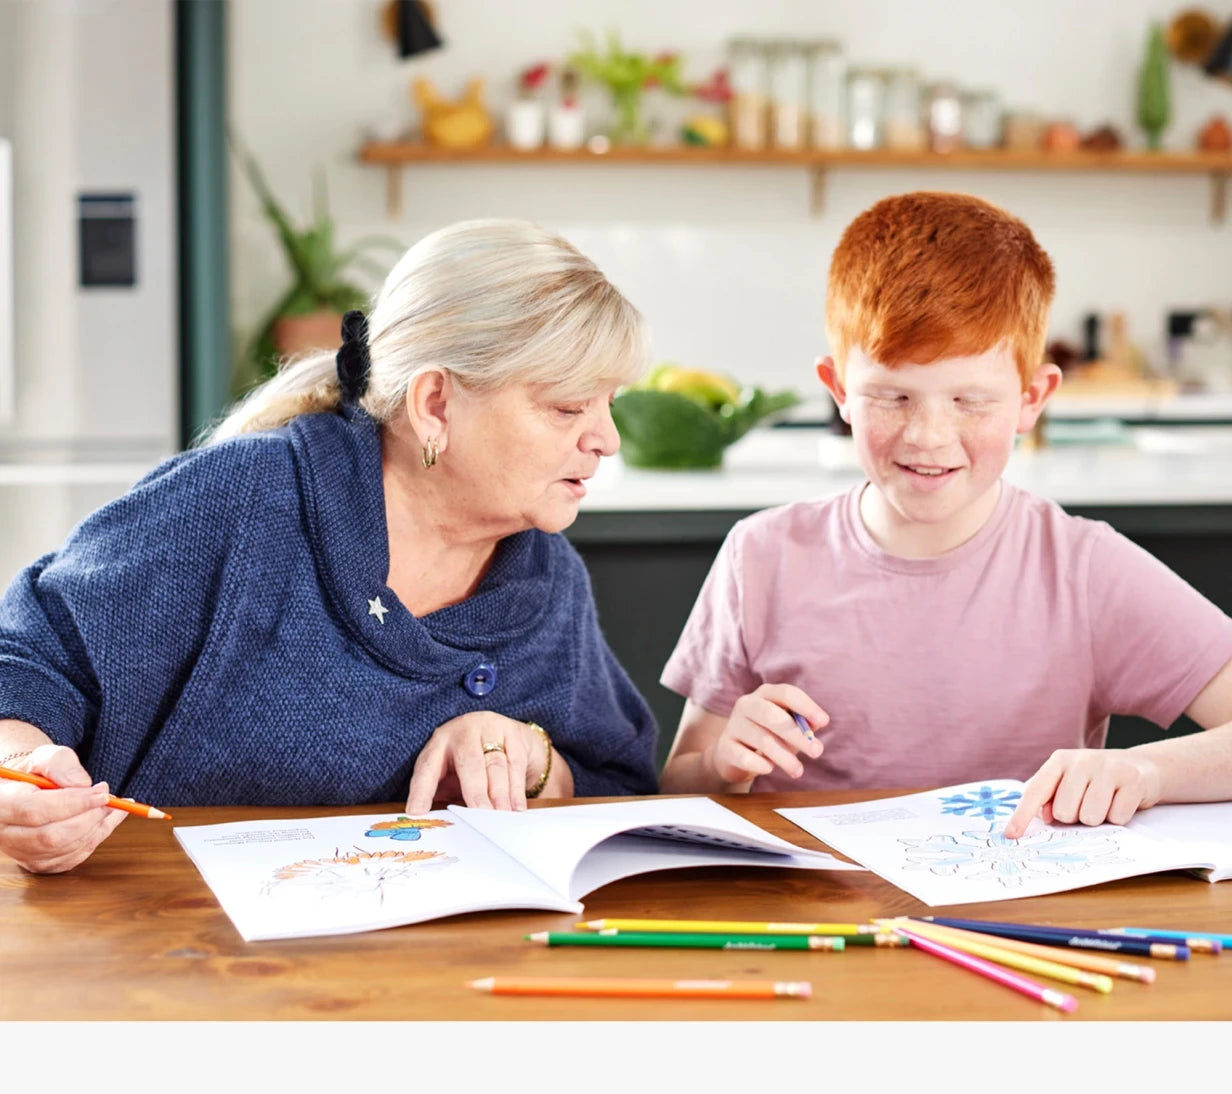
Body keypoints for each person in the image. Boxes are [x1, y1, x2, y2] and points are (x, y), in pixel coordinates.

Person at [0, 219, 658, 873]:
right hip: (161, 946)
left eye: (608, 404)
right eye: (568, 408)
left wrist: (530, 756)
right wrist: (18, 773)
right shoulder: (243, 499)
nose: (607, 438)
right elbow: (28, 662)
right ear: (434, 404)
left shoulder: (545, 579)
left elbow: (619, 784)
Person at [659, 191, 1232, 838]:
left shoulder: (1082, 570)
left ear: (1031, 399)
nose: (929, 436)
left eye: (970, 400)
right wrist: (724, 762)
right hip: (816, 918)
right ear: (839, 391)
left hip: (1011, 922)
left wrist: (1147, 772)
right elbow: (680, 780)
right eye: (893, 396)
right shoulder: (760, 555)